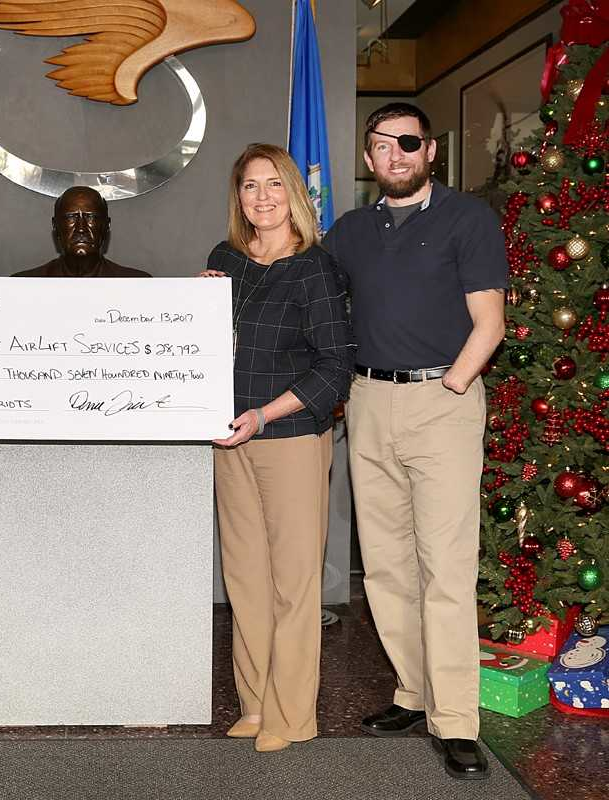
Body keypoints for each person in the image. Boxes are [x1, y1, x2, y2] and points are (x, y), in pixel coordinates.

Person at [323, 102, 507, 780]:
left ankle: (456, 721)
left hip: (443, 403)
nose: (394, 155)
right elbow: (303, 291)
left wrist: (452, 385)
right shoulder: (349, 232)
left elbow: (489, 322)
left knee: (447, 568)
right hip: (369, 402)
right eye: (381, 145)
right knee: (388, 564)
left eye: (407, 143)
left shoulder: (468, 219)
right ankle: (413, 690)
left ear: (429, 150)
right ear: (368, 159)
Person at [200, 143, 352, 753]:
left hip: (287, 438)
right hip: (227, 439)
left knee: (293, 583)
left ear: (294, 194)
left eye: (272, 184)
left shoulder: (315, 268)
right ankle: (256, 704)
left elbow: (335, 367)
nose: (261, 197)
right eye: (248, 186)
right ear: (237, 196)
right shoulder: (223, 260)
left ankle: (294, 716)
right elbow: (203, 346)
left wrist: (264, 415)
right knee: (245, 579)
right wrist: (194, 304)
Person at [13, 186, 151, 277]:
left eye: (91, 217)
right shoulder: (21, 285)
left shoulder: (138, 285)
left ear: (106, 225)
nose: (81, 228)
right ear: (55, 226)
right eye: (70, 217)